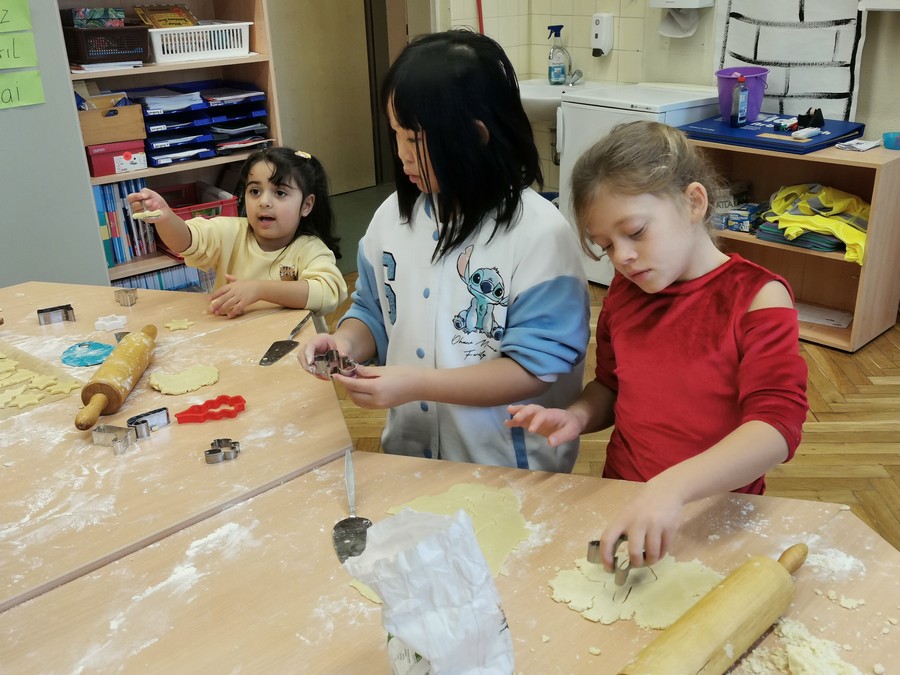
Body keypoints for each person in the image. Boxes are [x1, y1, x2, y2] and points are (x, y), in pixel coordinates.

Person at [506, 120, 808, 571]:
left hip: (715, 511)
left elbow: (776, 428)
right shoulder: (626, 293)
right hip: (628, 496)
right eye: (606, 246)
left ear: (693, 202)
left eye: (635, 232)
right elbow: (611, 387)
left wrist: (673, 486)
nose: (622, 257)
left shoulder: (758, 298)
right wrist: (577, 415)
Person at [299, 29, 590, 472]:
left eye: (415, 140)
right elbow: (374, 312)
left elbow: (532, 370)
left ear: (475, 136)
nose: (402, 155)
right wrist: (343, 344)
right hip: (409, 456)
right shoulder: (391, 220)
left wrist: (416, 383)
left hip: (507, 469)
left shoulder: (540, 235)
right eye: (396, 134)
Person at [127, 147, 347, 318]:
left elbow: (328, 292)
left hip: (292, 348)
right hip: (236, 339)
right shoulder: (229, 231)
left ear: (306, 205)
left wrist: (259, 289)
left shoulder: (309, 249)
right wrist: (166, 217)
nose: (264, 201)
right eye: (255, 191)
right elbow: (187, 241)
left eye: (280, 193)